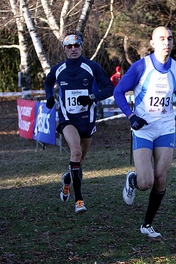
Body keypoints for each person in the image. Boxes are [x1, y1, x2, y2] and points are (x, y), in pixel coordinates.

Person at [113, 26, 176, 238]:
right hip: (143, 129)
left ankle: (147, 224)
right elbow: (118, 92)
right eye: (161, 39)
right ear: (153, 43)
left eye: (170, 38)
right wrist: (131, 116)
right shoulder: (140, 67)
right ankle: (134, 180)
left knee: (161, 177)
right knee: (147, 182)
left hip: (166, 128)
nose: (167, 42)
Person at [44, 30, 115, 214]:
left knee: (79, 161)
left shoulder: (91, 67)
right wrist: (49, 97)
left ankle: (67, 179)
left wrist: (92, 97)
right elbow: (48, 82)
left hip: (88, 120)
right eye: (69, 46)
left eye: (77, 45)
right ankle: (79, 201)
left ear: (82, 47)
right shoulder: (58, 69)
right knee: (75, 152)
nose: (73, 49)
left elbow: (109, 88)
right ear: (64, 49)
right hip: (67, 119)